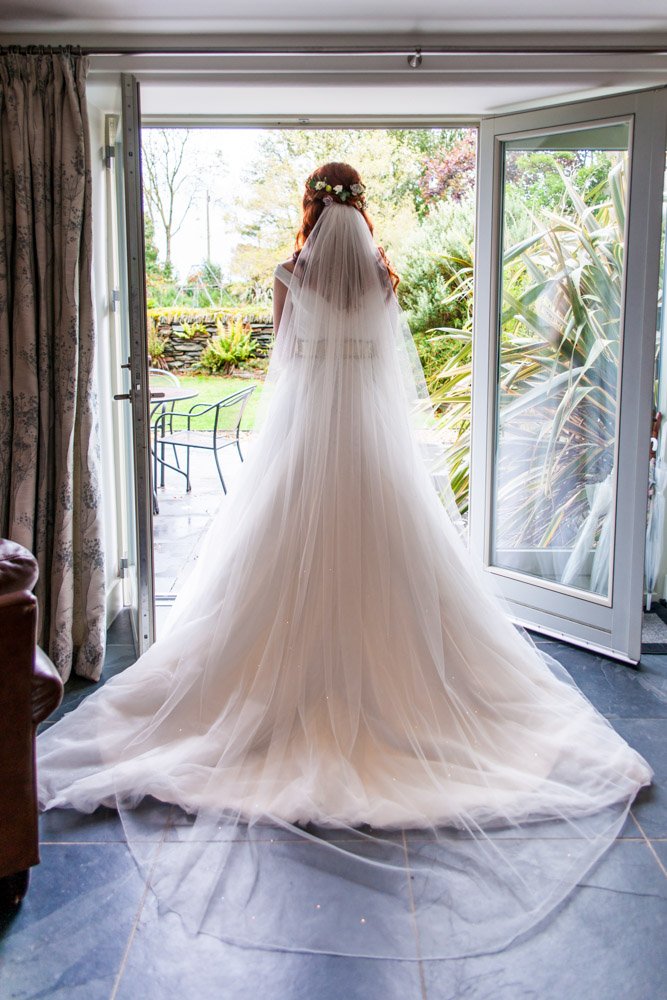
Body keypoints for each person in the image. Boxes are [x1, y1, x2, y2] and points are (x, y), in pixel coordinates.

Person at [37, 162, 651, 961]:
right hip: (371, 456)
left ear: (310, 209)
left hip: (303, 454)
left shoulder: (289, 275)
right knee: (396, 576)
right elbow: (387, 375)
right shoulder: (384, 281)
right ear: (360, 210)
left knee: (274, 578)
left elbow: (286, 367)